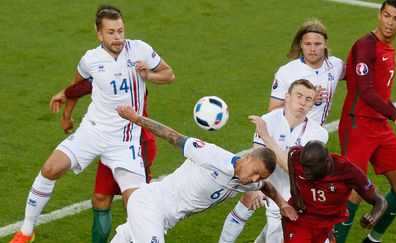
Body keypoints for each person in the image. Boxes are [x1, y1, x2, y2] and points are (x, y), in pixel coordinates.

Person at [10, 4, 175, 243]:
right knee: (49, 169)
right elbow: (79, 85)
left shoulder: (140, 50)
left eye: (120, 31)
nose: (118, 37)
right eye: (111, 32)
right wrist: (67, 114)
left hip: (126, 141)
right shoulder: (91, 59)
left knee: (138, 208)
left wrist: (149, 75)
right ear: (99, 33)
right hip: (93, 132)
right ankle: (26, 231)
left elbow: (169, 75)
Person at [219, 19, 345, 243]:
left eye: (318, 43)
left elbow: (353, 73)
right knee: (252, 196)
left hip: (308, 143)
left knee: (287, 211)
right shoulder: (288, 72)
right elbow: (274, 111)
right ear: (300, 44)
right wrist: (306, 101)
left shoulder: (335, 66)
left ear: (326, 44)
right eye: (307, 43)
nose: (313, 48)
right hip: (280, 139)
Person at [111, 105, 297, 243]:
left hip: (163, 219)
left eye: (260, 176)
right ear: (248, 157)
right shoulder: (212, 156)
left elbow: (266, 186)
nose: (254, 179)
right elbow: (171, 136)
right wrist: (136, 119)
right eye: (256, 172)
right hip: (150, 206)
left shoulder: (249, 181)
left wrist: (282, 204)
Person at [335, 1, 396, 243]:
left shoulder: (388, 48)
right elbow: (365, 90)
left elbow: (381, 93)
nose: (390, 23)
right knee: (355, 190)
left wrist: (394, 113)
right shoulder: (366, 46)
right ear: (379, 15)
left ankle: (372, 240)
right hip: (357, 124)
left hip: (380, 126)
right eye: (386, 16)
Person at [50, 79, 160, 243]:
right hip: (112, 144)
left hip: (137, 145)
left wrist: (65, 94)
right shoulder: (107, 64)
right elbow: (91, 81)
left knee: (135, 206)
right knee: (100, 198)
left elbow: (167, 75)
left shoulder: (132, 67)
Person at [278, 140, 387, 243]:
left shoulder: (349, 172)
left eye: (311, 168)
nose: (306, 172)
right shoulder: (297, 157)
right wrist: (294, 192)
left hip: (326, 225)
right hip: (300, 220)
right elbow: (292, 154)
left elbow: (380, 201)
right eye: (304, 167)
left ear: (327, 162)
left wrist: (373, 217)